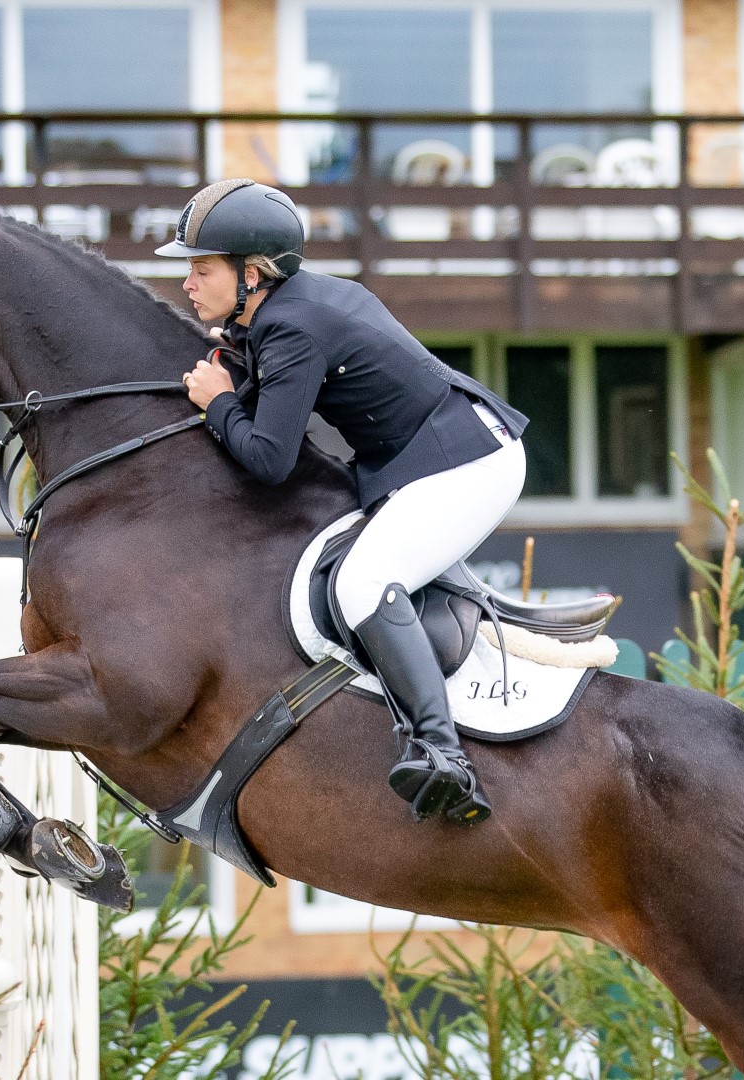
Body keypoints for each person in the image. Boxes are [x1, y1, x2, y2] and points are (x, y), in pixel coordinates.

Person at [159, 178, 528, 826]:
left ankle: (443, 755)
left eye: (202, 267)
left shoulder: (292, 326)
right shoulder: (288, 307)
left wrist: (216, 402)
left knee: (363, 583)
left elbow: (270, 461)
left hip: (469, 465)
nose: (189, 282)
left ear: (252, 272)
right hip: (427, 456)